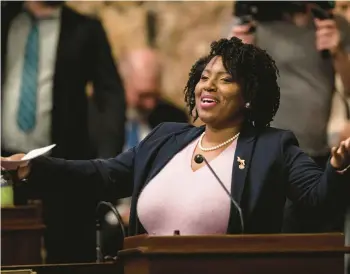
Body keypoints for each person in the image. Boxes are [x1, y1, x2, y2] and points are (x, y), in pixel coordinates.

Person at [2, 38, 350, 237]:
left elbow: (318, 199)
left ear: (249, 95)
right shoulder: (167, 138)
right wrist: (35, 169)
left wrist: (338, 166)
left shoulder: (273, 147)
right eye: (204, 76)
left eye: (225, 79)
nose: (208, 85)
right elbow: (104, 174)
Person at [1, 1, 126, 263]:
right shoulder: (6, 18)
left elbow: (109, 95)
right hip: (2, 166)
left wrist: (105, 163)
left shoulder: (85, 29)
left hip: (59, 166)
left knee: (68, 257)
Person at [230, 2, 350, 171]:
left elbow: (349, 87)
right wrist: (237, 55)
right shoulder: (251, 24)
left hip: (315, 151)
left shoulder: (332, 24)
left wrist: (337, 51)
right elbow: (227, 89)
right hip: (263, 148)